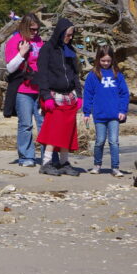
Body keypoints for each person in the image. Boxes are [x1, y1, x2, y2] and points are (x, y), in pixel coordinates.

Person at [35, 17, 81, 176]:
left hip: (69, 97)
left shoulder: (70, 49)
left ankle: (64, 162)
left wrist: (79, 94)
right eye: (68, 35)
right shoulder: (47, 49)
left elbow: (75, 74)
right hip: (53, 96)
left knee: (67, 132)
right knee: (54, 131)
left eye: (71, 35)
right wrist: (46, 96)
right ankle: (46, 162)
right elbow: (42, 74)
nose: (70, 38)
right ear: (60, 32)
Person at [2, 14, 44, 167]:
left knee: (43, 123)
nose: (35, 32)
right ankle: (26, 157)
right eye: (32, 29)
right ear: (25, 27)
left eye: (37, 29)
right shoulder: (15, 41)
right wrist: (21, 53)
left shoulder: (40, 41)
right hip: (23, 89)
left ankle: (47, 156)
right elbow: (10, 67)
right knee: (25, 124)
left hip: (40, 88)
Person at [82, 45, 129, 177]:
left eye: (108, 61)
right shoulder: (92, 75)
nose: (106, 63)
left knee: (114, 141)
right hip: (99, 115)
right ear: (98, 59)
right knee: (100, 141)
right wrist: (86, 112)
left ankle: (115, 167)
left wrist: (122, 110)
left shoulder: (117, 74)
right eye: (103, 61)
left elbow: (124, 94)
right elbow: (88, 94)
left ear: (112, 60)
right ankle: (97, 165)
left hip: (114, 114)